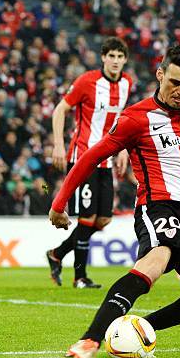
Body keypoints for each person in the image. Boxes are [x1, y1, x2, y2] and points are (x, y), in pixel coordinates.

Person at [49, 45, 180, 358]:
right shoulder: (136, 118)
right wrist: (60, 203)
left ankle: (146, 326)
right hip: (157, 206)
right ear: (160, 74)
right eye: (175, 82)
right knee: (157, 259)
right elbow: (93, 156)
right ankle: (89, 340)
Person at [46, 37, 132, 289]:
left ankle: (57, 253)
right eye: (111, 56)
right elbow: (60, 110)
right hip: (83, 156)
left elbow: (122, 120)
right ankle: (80, 277)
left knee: (103, 219)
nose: (115, 61)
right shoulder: (87, 81)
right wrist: (59, 144)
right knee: (88, 217)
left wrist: (124, 150)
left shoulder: (127, 83)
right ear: (103, 57)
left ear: (124, 60)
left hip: (106, 159)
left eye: (120, 56)